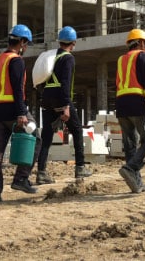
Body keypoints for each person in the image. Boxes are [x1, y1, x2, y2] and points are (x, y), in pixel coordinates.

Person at [0, 23, 39, 203]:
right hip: (13, 110)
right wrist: (21, 113)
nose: (26, 48)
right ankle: (21, 178)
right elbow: (18, 89)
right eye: (26, 44)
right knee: (36, 138)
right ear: (22, 42)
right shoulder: (16, 60)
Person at [35, 26, 92, 183]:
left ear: (60, 41)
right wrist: (66, 105)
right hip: (60, 97)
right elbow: (65, 82)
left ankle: (41, 172)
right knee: (77, 130)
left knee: (47, 135)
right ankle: (80, 167)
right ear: (73, 43)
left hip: (46, 97)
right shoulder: (68, 58)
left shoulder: (51, 57)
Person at [115, 28, 145, 193]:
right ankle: (131, 169)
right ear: (142, 42)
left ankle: (136, 182)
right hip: (137, 103)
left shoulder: (121, 59)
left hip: (121, 105)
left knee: (130, 145)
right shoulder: (143, 56)